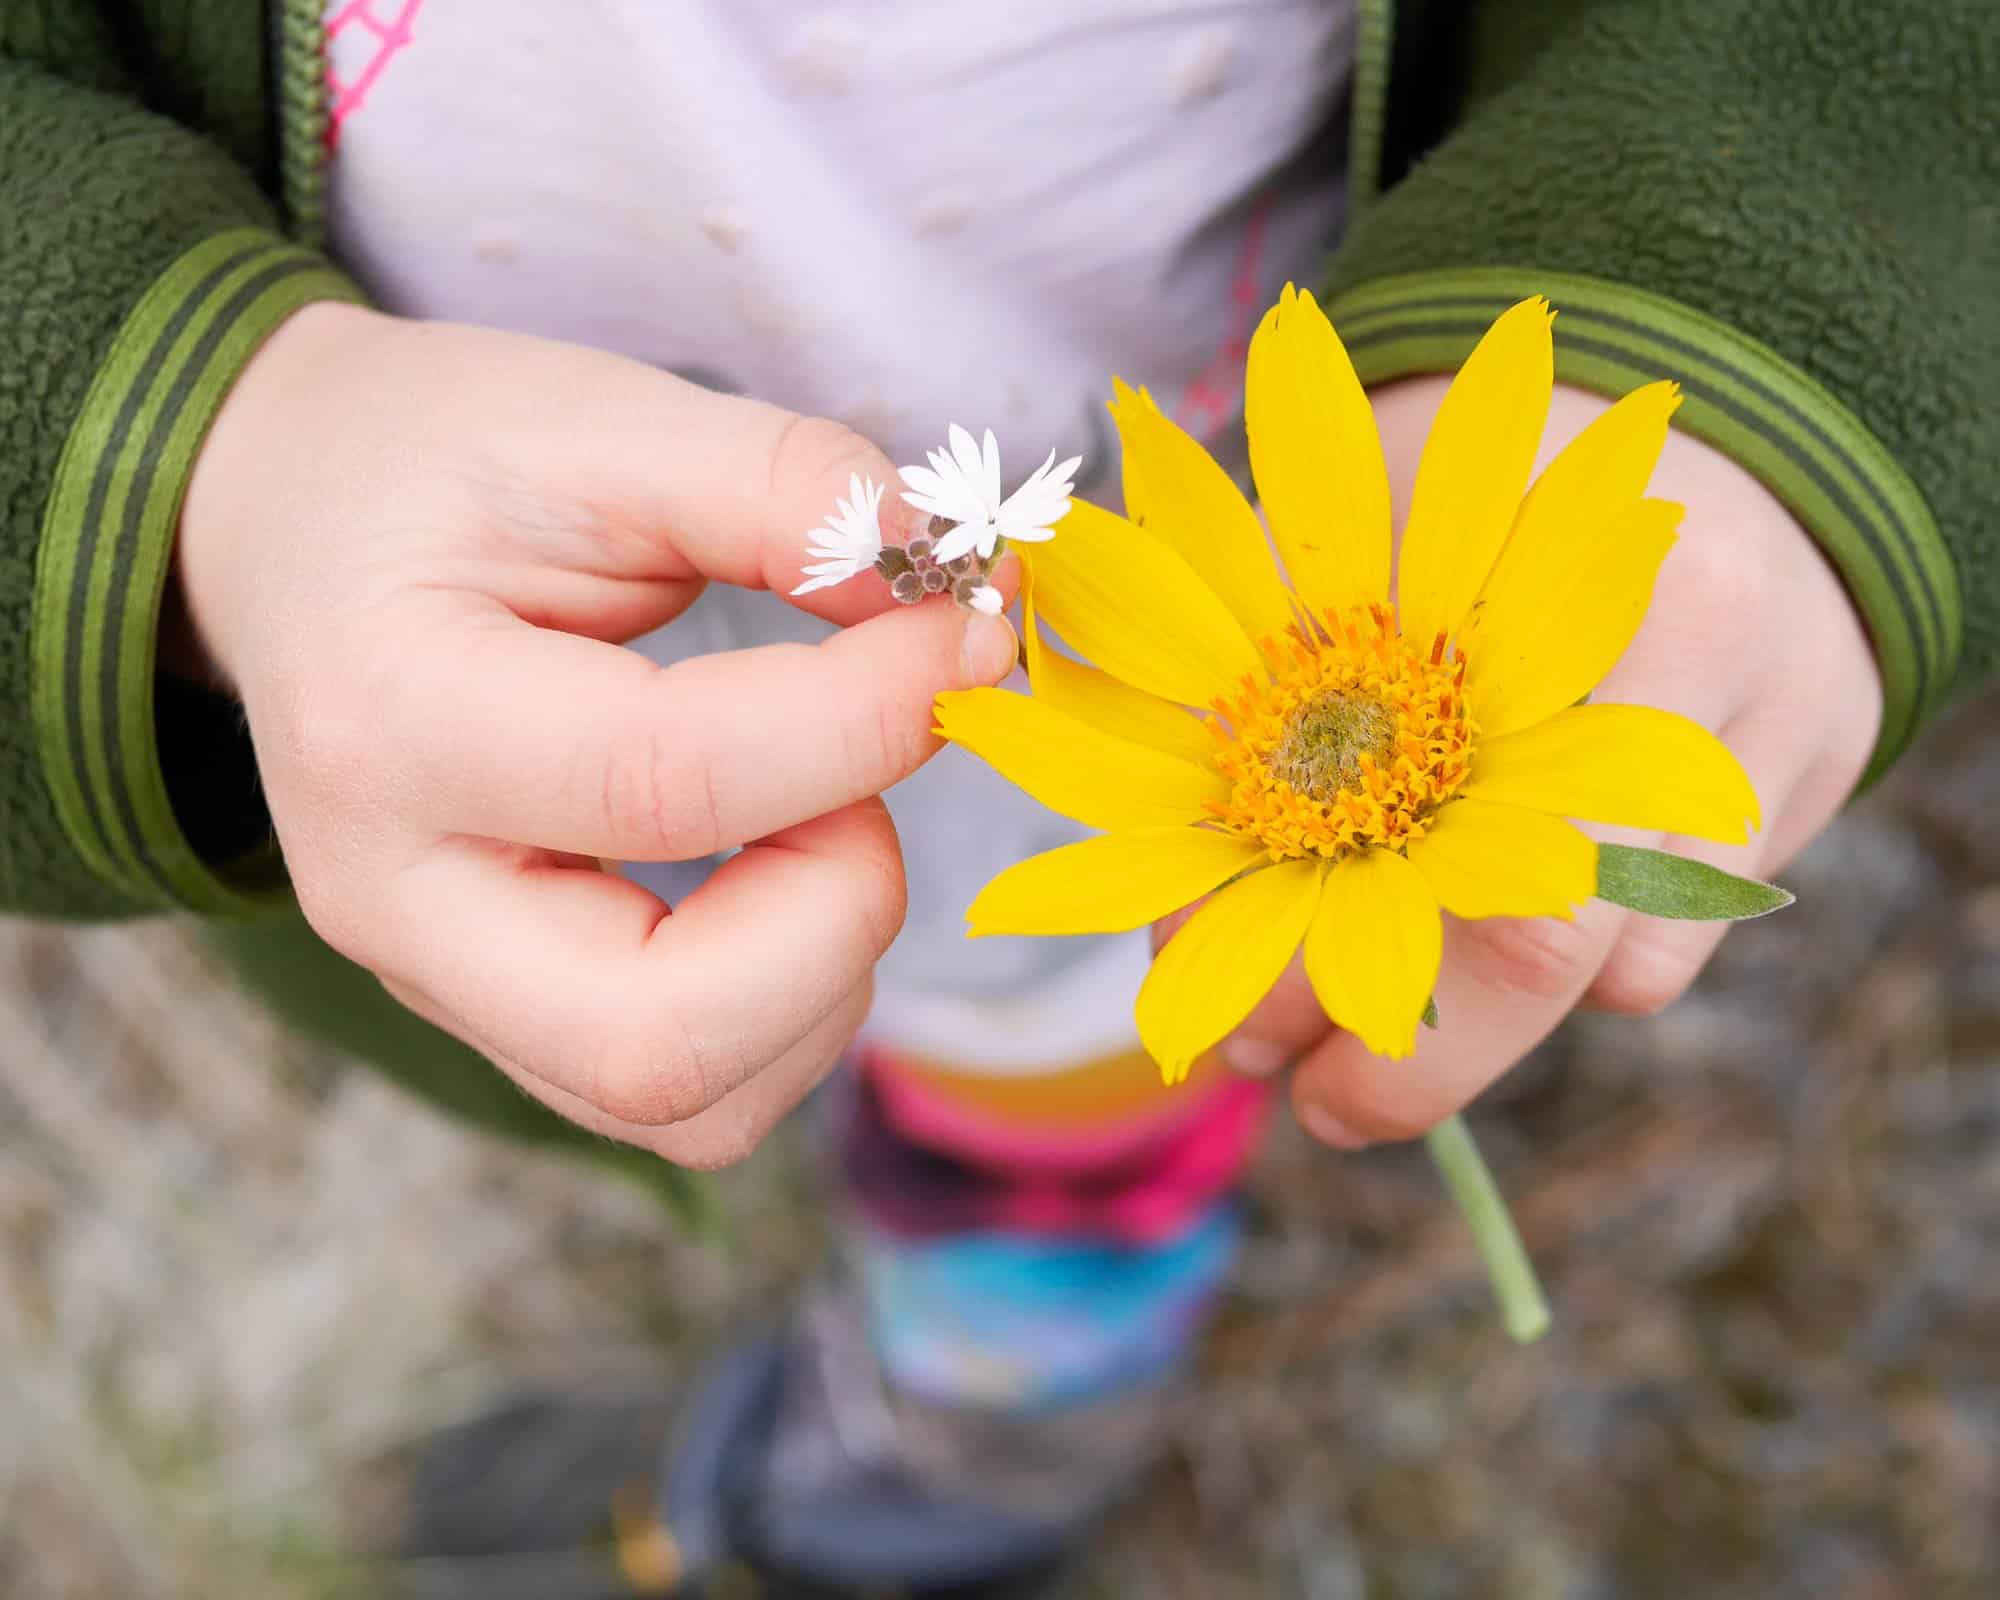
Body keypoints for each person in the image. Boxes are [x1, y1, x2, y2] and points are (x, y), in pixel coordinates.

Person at [3, 2, 1991, 1593]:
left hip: (1222, 556)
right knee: (777, 956)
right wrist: (170, 447)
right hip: (439, 587)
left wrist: (1766, 335)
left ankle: (970, 1443)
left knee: (1067, 1062)